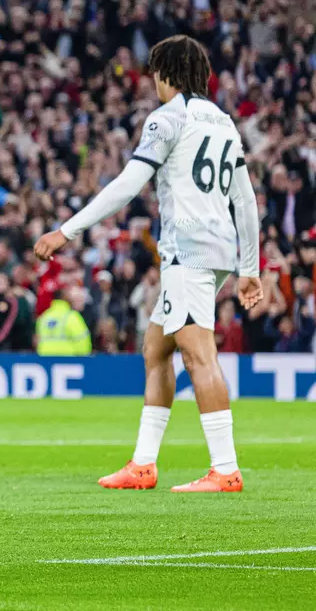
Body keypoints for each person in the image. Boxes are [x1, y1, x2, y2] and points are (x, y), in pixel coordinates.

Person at [36, 35, 262, 493]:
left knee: (199, 354)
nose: (153, 83)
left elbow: (128, 183)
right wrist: (249, 268)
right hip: (218, 249)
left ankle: (225, 468)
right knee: (156, 349)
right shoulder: (222, 121)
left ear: (166, 74)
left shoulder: (167, 118)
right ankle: (143, 464)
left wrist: (67, 230)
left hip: (188, 251)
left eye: (155, 74)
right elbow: (246, 200)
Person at [35, 284, 93, 355]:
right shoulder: (72, 317)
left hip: (45, 361)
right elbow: (83, 344)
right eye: (69, 295)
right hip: (69, 362)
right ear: (64, 297)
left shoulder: (43, 317)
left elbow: (37, 342)